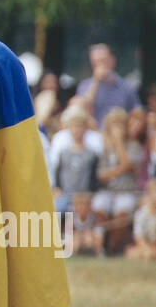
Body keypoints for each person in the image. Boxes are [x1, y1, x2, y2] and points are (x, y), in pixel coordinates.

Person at [91, 107, 142, 254]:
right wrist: (121, 169)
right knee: (99, 206)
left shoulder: (133, 146)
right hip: (108, 191)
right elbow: (102, 174)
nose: (117, 129)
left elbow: (128, 164)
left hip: (127, 191)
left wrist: (119, 143)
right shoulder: (106, 149)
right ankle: (99, 247)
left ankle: (113, 248)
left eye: (120, 125)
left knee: (122, 210)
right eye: (113, 126)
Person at [76, 43, 138, 128]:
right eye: (95, 63)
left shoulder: (126, 87)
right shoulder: (84, 86)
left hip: (118, 135)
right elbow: (80, 110)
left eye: (102, 61)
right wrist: (95, 81)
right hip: (94, 135)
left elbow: (137, 114)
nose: (99, 66)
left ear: (112, 60)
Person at [50, 106, 98, 215]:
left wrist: (88, 195)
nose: (77, 130)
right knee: (56, 211)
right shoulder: (63, 153)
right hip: (65, 194)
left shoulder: (91, 154)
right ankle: (64, 232)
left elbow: (94, 178)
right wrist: (57, 188)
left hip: (84, 196)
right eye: (74, 126)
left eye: (80, 126)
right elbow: (58, 172)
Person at [127, 178, 156, 261]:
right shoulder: (141, 214)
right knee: (133, 253)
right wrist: (147, 249)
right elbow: (139, 237)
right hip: (145, 246)